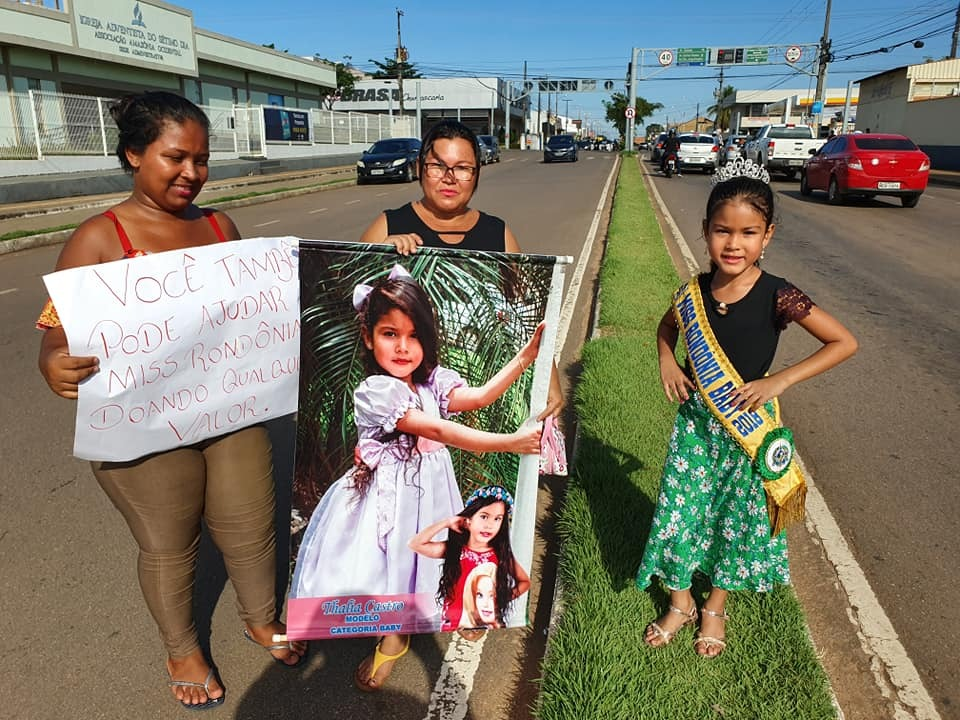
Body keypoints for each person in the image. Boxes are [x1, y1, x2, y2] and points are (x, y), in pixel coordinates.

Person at [36, 91, 306, 710]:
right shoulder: (97, 239)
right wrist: (54, 362)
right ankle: (182, 648)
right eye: (175, 157)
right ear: (134, 154)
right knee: (170, 543)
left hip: (230, 414)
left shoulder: (219, 227)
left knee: (250, 526)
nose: (192, 173)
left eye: (202, 160)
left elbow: (254, 313)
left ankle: (261, 617)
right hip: (145, 428)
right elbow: (56, 331)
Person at [355, 119, 565, 689]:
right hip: (408, 425)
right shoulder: (391, 225)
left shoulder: (499, 234)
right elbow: (366, 312)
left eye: (462, 167)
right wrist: (385, 258)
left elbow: (525, 316)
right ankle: (394, 631)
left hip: (465, 397)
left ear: (478, 171)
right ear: (421, 167)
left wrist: (542, 377)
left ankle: (471, 603)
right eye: (438, 165)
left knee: (464, 528)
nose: (450, 177)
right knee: (402, 535)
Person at [635, 159, 858, 658]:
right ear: (706, 232)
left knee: (737, 519)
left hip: (748, 429)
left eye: (748, 232)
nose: (733, 244)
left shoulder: (779, 294)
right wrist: (667, 362)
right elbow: (666, 328)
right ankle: (679, 600)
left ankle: (714, 606)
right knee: (679, 512)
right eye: (722, 231)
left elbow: (843, 342)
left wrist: (779, 379)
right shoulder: (693, 291)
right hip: (696, 427)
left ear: (768, 235)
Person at [287, 267, 541, 688]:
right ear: (368, 338)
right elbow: (438, 430)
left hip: (431, 488)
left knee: (427, 559)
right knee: (387, 563)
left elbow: (474, 397)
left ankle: (421, 622)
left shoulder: (433, 381)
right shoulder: (375, 390)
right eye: (390, 334)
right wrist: (509, 441)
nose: (403, 347)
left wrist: (523, 358)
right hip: (387, 495)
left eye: (414, 335)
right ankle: (391, 636)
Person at [408, 485, 531, 638]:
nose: (489, 525)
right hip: (453, 624)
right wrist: (447, 522)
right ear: (468, 520)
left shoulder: (500, 555)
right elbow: (415, 544)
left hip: (485, 624)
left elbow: (524, 582)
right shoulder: (455, 550)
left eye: (497, 519)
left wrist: (501, 599)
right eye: (484, 516)